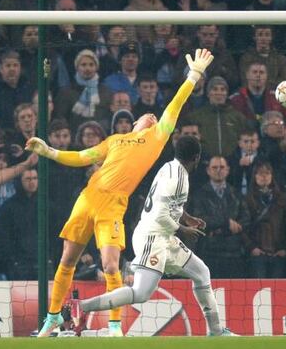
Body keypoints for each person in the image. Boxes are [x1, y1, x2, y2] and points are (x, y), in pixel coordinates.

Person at [27, 49, 215, 338]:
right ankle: (53, 317)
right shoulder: (114, 140)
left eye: (153, 116)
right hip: (88, 199)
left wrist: (194, 75)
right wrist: (49, 151)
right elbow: (81, 156)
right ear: (136, 122)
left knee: (111, 265)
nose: (151, 117)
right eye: (146, 116)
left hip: (114, 206)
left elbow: (175, 105)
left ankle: (115, 327)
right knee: (67, 260)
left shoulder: (156, 137)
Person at [74, 136, 235, 336]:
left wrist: (188, 218)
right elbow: (160, 213)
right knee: (141, 293)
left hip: (164, 237)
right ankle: (81, 307)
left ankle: (216, 331)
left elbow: (170, 204)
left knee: (202, 273)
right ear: (196, 158)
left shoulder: (170, 168)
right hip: (152, 237)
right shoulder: (178, 178)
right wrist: (183, 229)